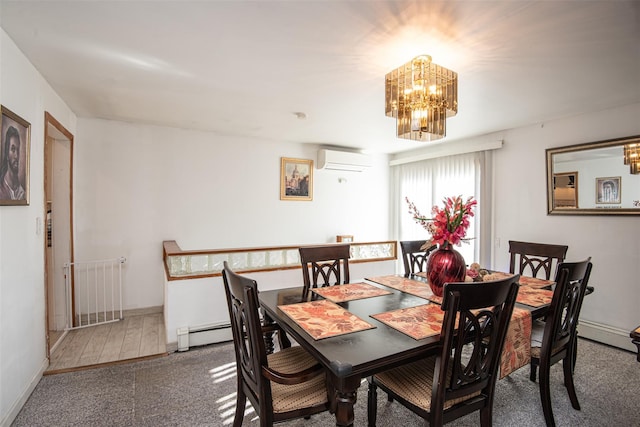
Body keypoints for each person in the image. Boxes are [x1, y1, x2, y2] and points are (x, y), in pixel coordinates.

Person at [0, 125, 26, 200]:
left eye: (18, 150)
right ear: (7, 153)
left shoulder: (22, 192)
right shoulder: (1, 189)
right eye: (13, 149)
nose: (16, 156)